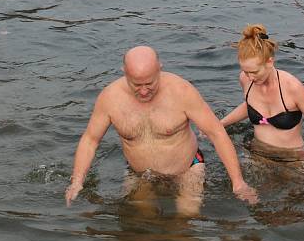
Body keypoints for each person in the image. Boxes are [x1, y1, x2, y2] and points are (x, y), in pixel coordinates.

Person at [65, 46, 257, 213]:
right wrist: (77, 181)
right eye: (136, 84)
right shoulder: (110, 98)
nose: (143, 91)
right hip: (140, 173)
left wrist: (238, 182)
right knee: (141, 219)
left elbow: (217, 133)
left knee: (186, 218)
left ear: (160, 69)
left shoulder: (181, 91)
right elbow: (90, 140)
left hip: (187, 169)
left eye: (149, 83)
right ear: (124, 73)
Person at [220, 25, 304, 177]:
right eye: (245, 71)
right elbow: (250, 105)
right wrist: (219, 125)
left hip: (293, 159)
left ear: (270, 62)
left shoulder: (293, 88)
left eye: (254, 72)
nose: (250, 77)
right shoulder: (245, 79)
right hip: (257, 154)